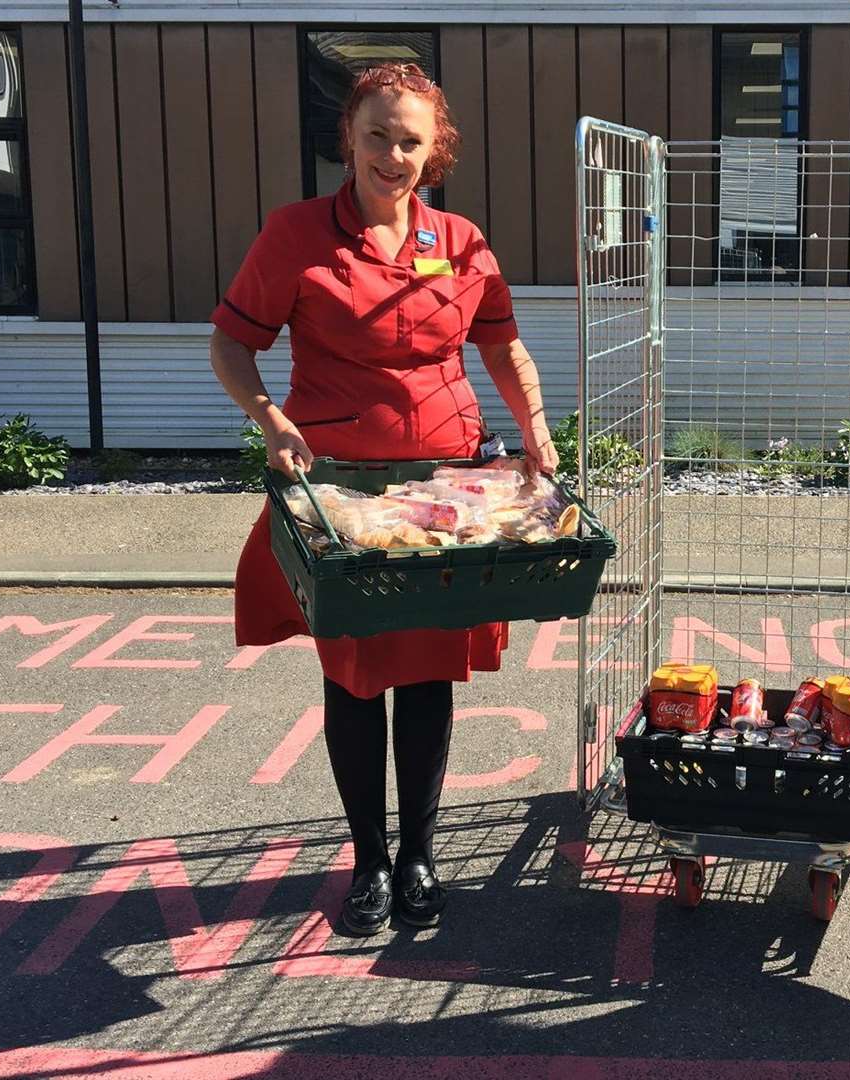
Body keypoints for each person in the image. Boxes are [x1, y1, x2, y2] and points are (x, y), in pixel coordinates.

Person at [208, 62, 559, 938]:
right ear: (349, 138)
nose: (392, 156)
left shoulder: (462, 240)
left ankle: (420, 855)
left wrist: (540, 430)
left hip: (445, 490)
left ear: (433, 149)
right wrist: (268, 417)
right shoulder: (295, 236)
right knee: (357, 676)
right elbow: (231, 343)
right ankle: (368, 860)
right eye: (377, 135)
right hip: (343, 494)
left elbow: (505, 348)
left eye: (410, 140)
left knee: (431, 672)